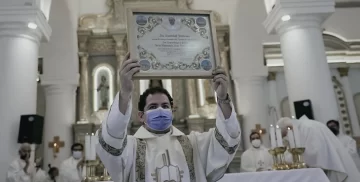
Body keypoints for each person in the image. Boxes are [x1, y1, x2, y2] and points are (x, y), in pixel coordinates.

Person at [96, 53, 241, 182]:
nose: (160, 110)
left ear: (172, 111)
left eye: (165, 106)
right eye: (153, 107)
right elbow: (111, 139)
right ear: (141, 116)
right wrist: (125, 92)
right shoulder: (131, 148)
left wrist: (222, 98)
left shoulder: (194, 144)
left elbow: (227, 138)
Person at [278, 116, 360, 182]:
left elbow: (315, 154)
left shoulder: (308, 128)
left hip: (333, 170)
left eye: (285, 135)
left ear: (289, 128)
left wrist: (290, 160)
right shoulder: (305, 127)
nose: (287, 137)